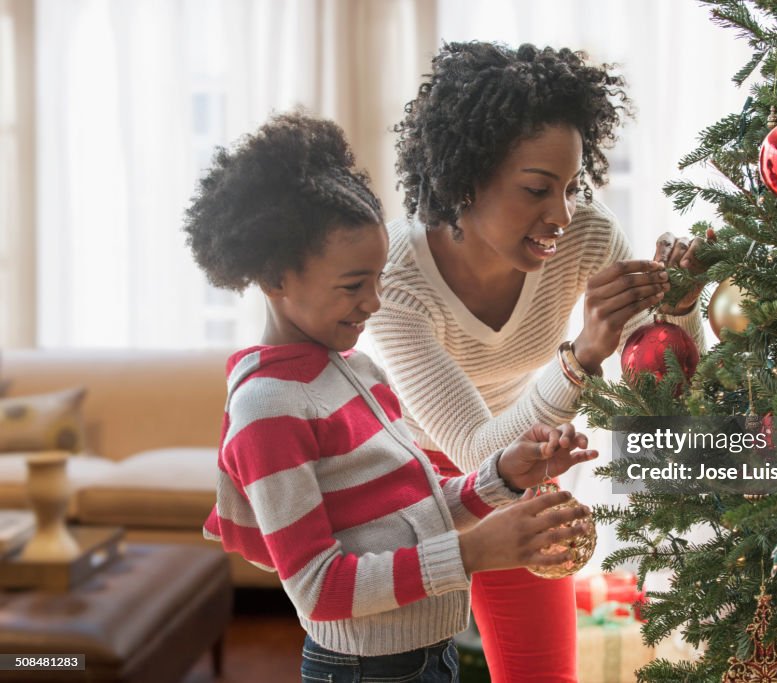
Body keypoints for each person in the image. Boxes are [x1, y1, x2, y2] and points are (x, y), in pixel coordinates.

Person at [184, 111, 597, 683]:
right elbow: (319, 588)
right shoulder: (268, 409)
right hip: (363, 669)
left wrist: (503, 475)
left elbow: (413, 516)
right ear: (278, 279)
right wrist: (475, 555)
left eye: (378, 277)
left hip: (428, 654)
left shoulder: (358, 370)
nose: (375, 302)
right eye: (353, 285)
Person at [368, 42, 708, 682]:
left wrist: (680, 308)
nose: (561, 215)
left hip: (521, 458)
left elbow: (664, 387)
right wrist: (580, 356)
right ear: (463, 178)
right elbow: (474, 450)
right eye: (535, 190)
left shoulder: (586, 234)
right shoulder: (396, 276)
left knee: (542, 674)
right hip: (401, 472)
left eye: (573, 186)